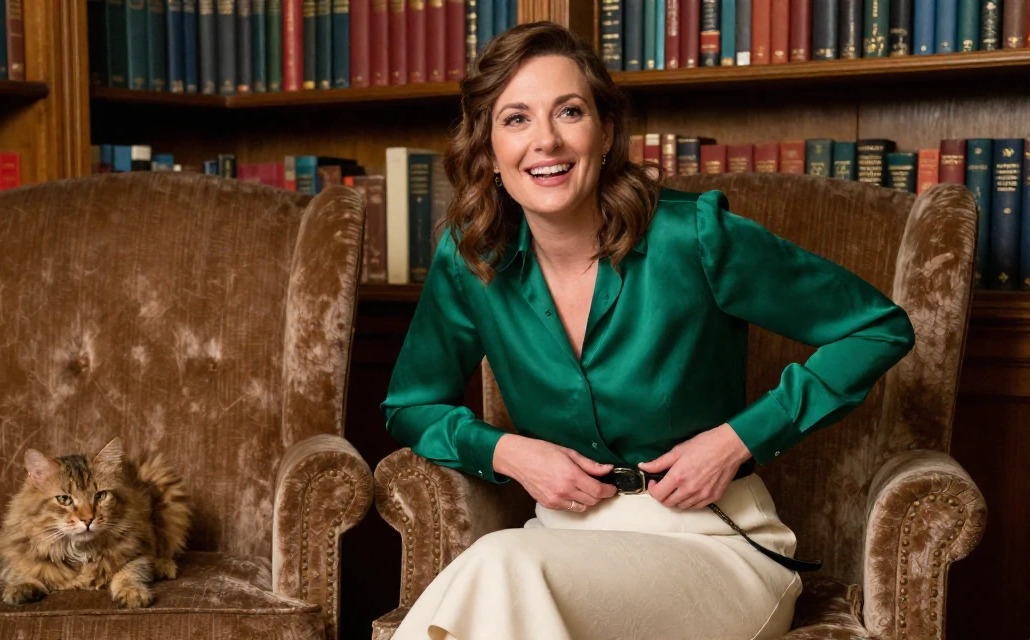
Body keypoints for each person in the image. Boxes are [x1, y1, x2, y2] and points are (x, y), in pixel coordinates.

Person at [379, 21, 916, 640]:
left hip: (716, 548)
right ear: (488, 151)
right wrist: (508, 452)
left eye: (569, 112)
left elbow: (877, 328)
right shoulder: (471, 259)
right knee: (504, 575)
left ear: (606, 133)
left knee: (496, 568)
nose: (545, 142)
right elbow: (409, 406)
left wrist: (739, 439)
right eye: (516, 119)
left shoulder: (694, 238)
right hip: (559, 548)